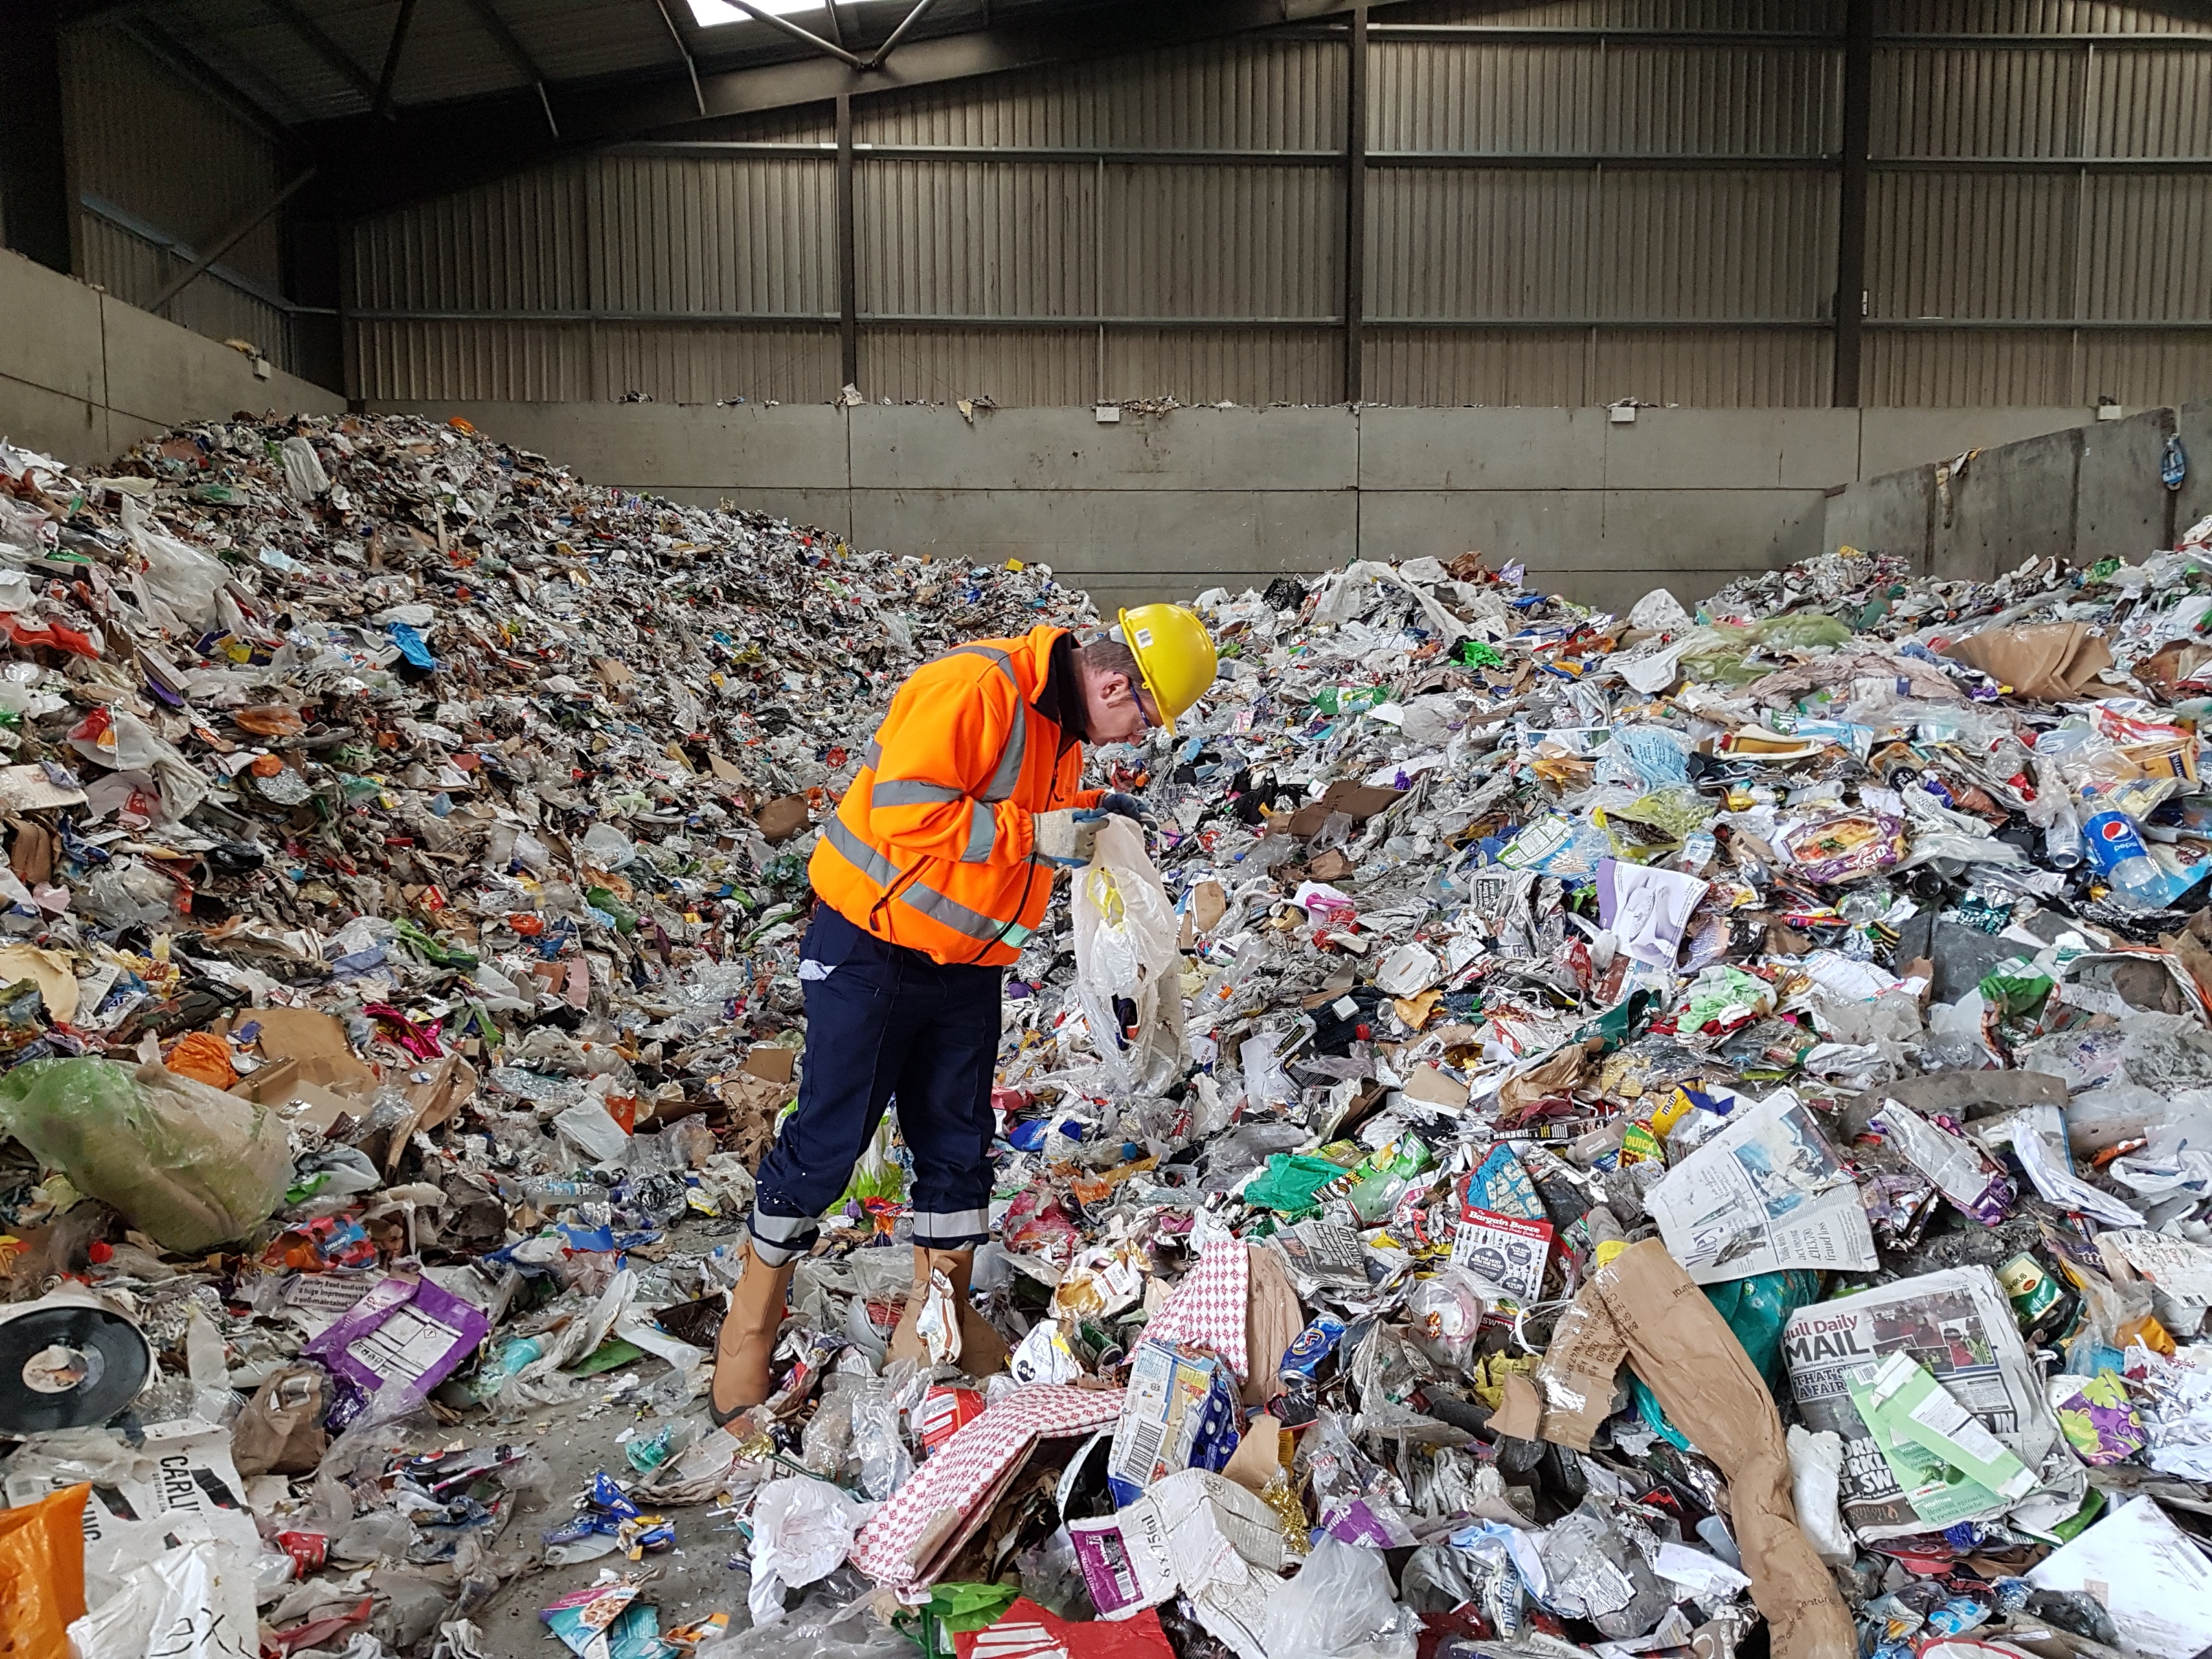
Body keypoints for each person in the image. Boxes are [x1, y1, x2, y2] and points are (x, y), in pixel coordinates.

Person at [710, 603, 1219, 1420]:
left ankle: (935, 1321)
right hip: (873, 949)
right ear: (1116, 683)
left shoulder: (1060, 726)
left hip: (969, 967)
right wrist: (1044, 832)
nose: (1136, 736)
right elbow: (906, 815)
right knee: (830, 1140)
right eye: (1144, 718)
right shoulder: (977, 688)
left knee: (955, 1144)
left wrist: (1089, 814)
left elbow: (1003, 808)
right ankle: (750, 1325)